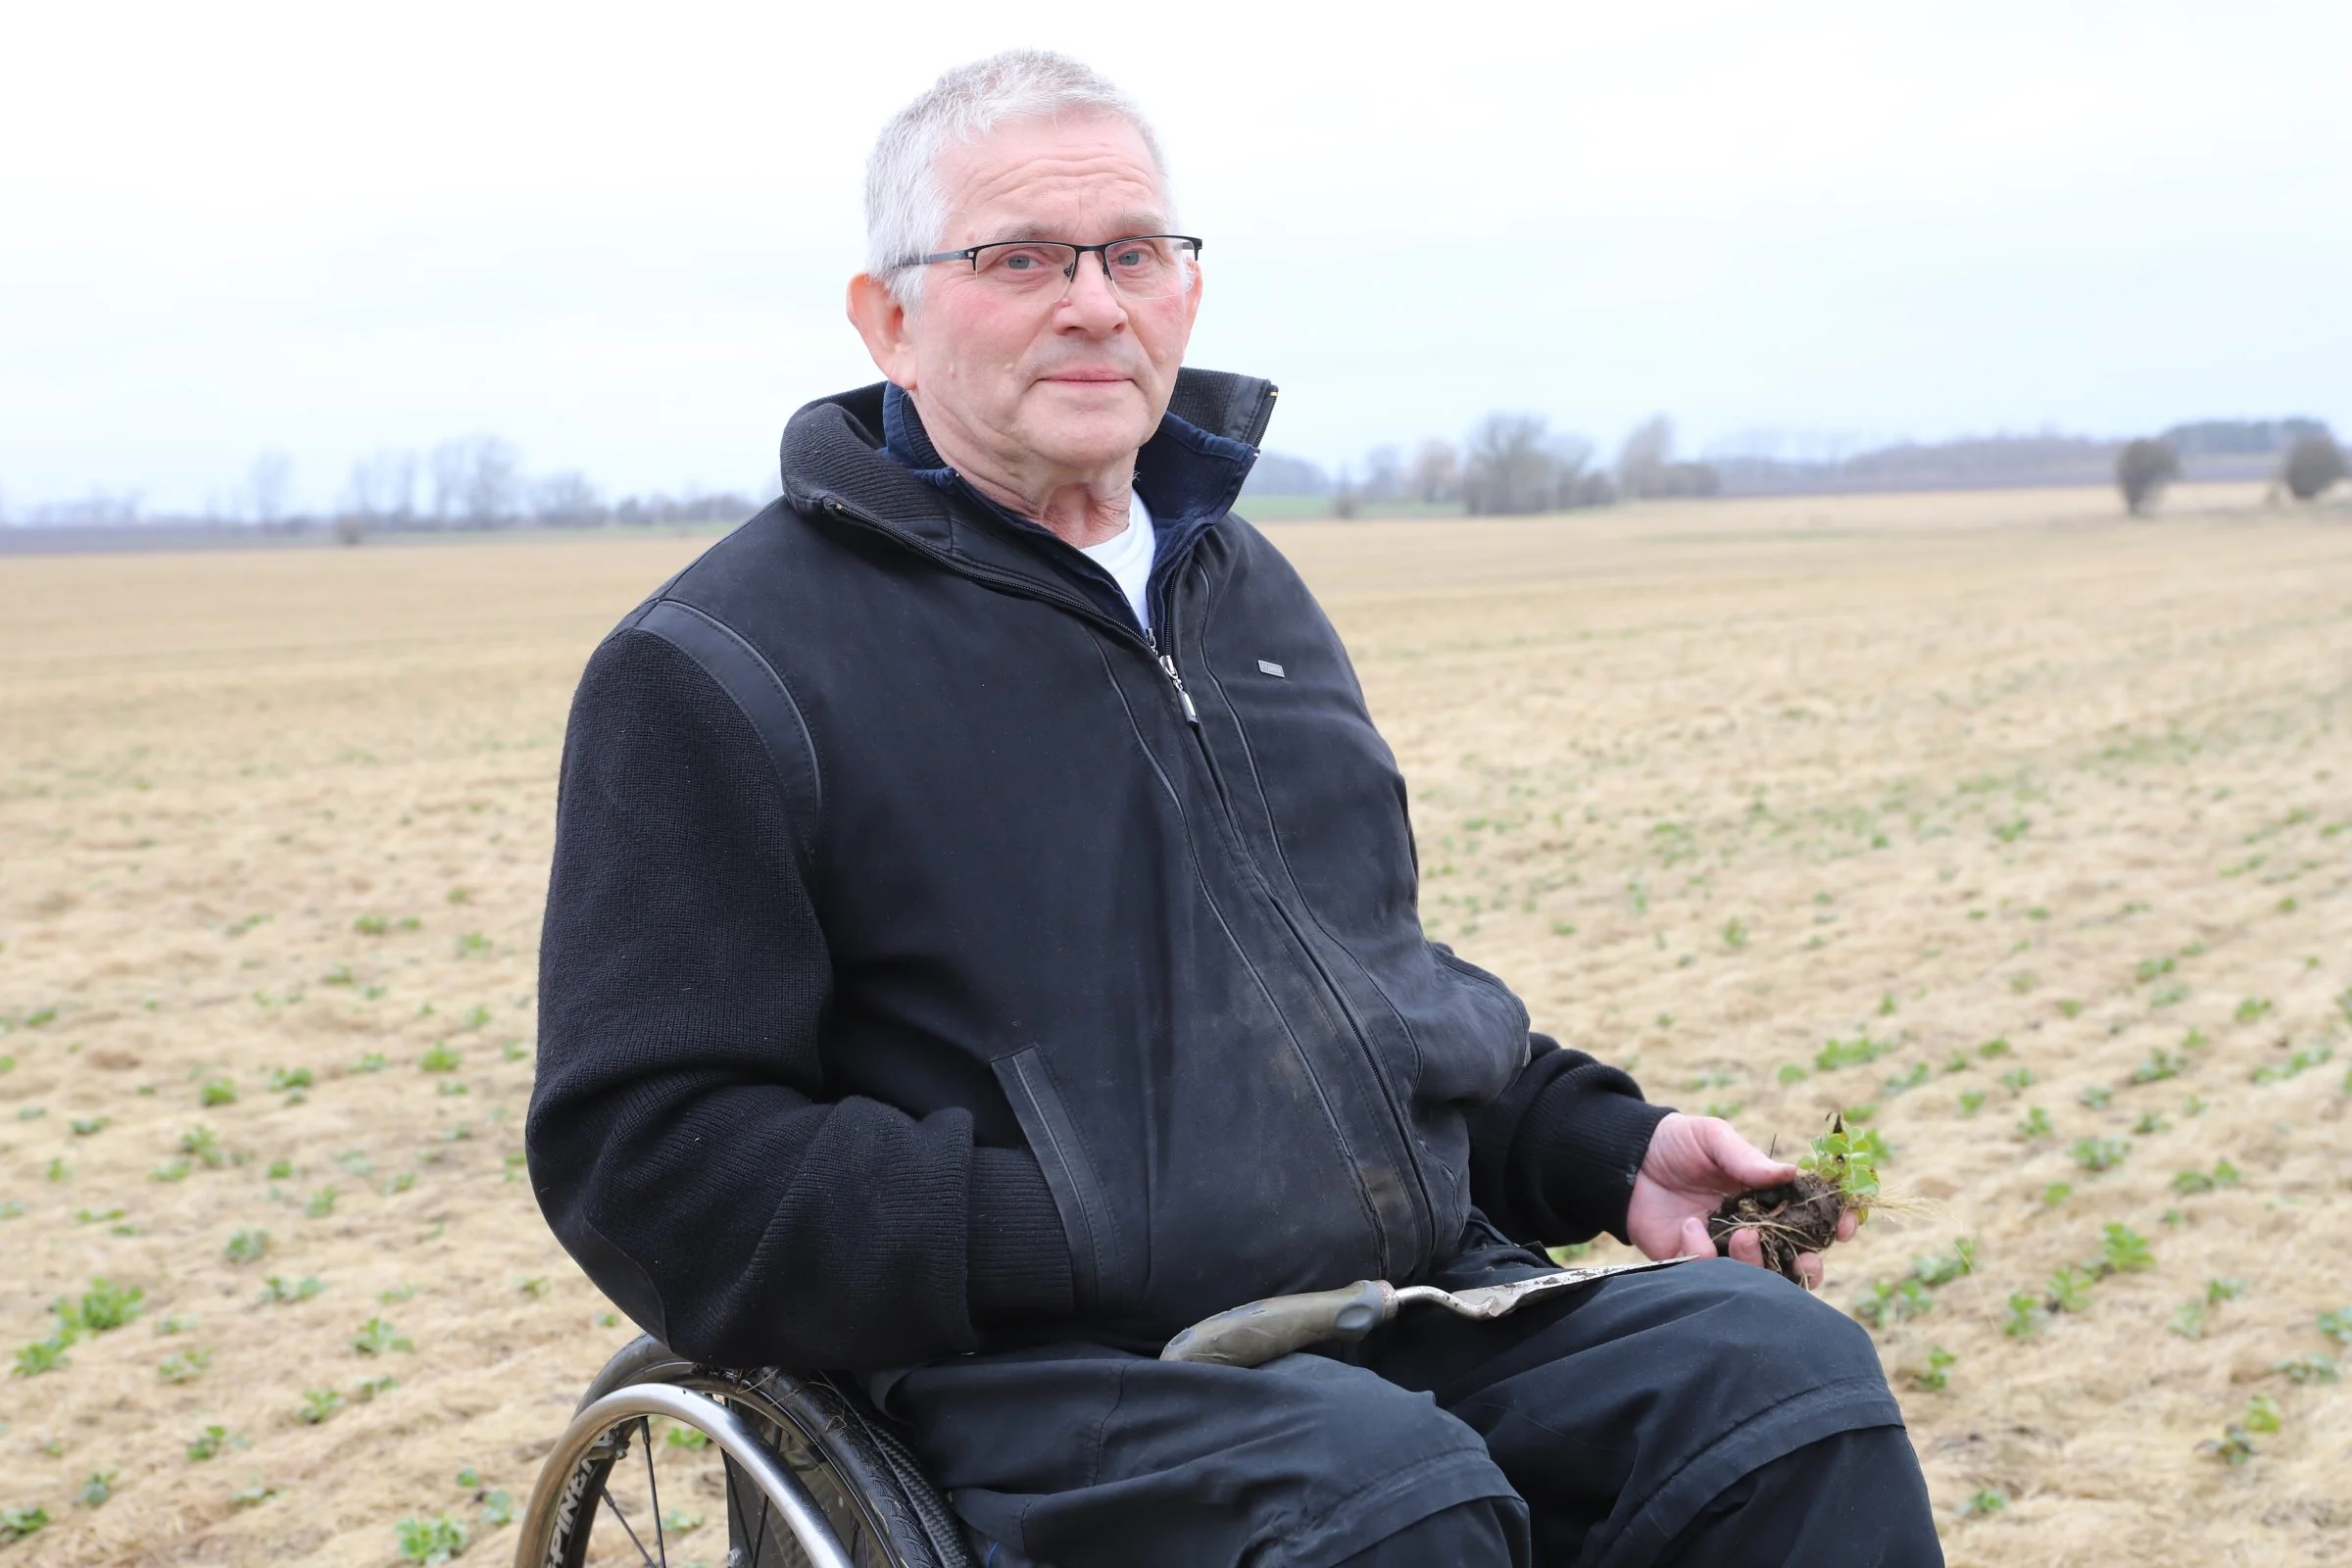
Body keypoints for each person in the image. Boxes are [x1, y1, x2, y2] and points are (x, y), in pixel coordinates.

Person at [527, 48, 1942, 1568]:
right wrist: (1069, 1223)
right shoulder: (720, 669)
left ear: (1184, 288)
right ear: (890, 317)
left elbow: (1357, 995)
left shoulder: (1242, 591)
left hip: (1386, 1311)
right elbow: (648, 1158)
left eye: (1135, 253)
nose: (1094, 302)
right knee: (1383, 1501)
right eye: (1020, 260)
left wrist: (1610, 1150)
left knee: (1775, 1383)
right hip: (1020, 1372)